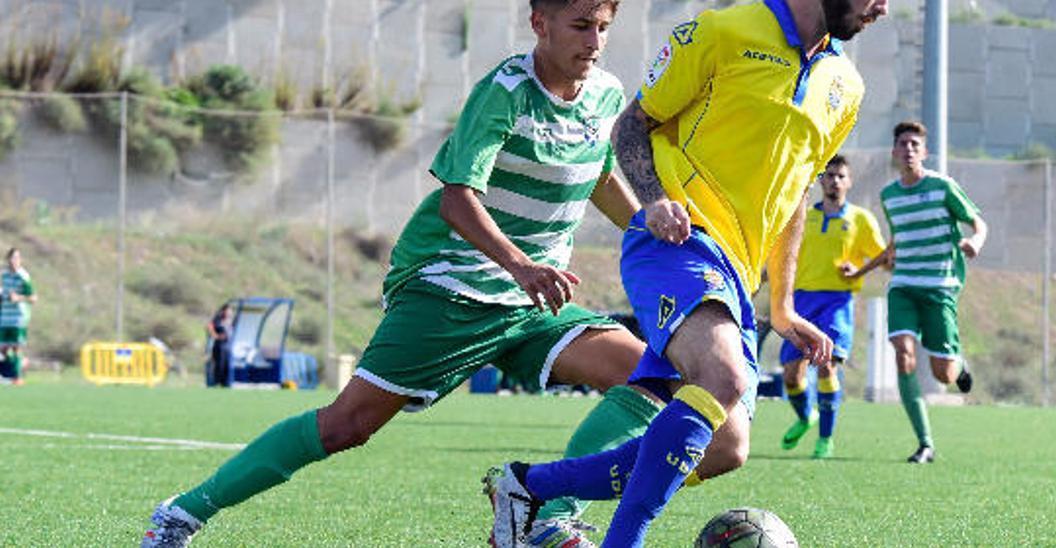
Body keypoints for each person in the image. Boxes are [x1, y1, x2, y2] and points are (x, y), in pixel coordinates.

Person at [141, 1, 666, 545]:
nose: (595, 41)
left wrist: (643, 222)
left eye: (604, 27)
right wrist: (522, 265)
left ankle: (542, 514)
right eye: (582, 26)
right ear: (540, 24)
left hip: (530, 303)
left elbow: (600, 171)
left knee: (649, 376)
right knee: (347, 425)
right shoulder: (504, 92)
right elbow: (456, 202)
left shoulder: (605, 93)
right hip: (451, 287)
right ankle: (182, 513)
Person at [485, 1, 887, 546]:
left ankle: (529, 487)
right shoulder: (721, 32)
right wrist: (652, 202)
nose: (882, 7)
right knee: (722, 379)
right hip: (677, 243)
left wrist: (783, 306)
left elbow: (797, 195)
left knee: (726, 448)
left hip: (739, 278)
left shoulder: (847, 86)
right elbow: (632, 126)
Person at [870, 120, 988, 464]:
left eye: (914, 145)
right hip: (904, 284)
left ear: (924, 152)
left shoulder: (943, 187)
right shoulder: (889, 196)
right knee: (903, 354)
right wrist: (863, 268)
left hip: (940, 287)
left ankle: (959, 363)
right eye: (902, 144)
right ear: (894, 152)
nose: (908, 149)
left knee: (943, 375)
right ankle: (925, 443)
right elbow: (897, 241)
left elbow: (978, 223)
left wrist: (975, 242)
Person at [778, 154, 885, 460]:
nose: (835, 181)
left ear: (849, 182)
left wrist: (861, 269)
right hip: (799, 302)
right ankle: (805, 417)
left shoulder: (861, 220)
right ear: (820, 180)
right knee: (791, 376)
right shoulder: (801, 216)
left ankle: (825, 439)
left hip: (837, 302)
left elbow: (884, 258)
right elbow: (783, 255)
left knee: (826, 365)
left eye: (841, 176)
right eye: (829, 175)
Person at [0, 248, 37, 386]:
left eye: (16, 258)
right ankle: (12, 370)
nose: (13, 261)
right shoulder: (4, 276)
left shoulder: (23, 276)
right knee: (2, 349)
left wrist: (18, 298)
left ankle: (17, 377)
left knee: (16, 348)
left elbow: (33, 298)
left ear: (20, 260)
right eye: (11, 258)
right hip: (4, 316)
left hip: (18, 318)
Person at [205, 304, 233, 387]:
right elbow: (209, 327)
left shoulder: (231, 321)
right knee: (219, 365)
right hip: (219, 346)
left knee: (227, 365)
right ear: (223, 311)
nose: (229, 313)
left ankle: (226, 383)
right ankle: (217, 382)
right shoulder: (218, 320)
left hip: (228, 346)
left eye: (230, 311)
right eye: (227, 311)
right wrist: (216, 336)